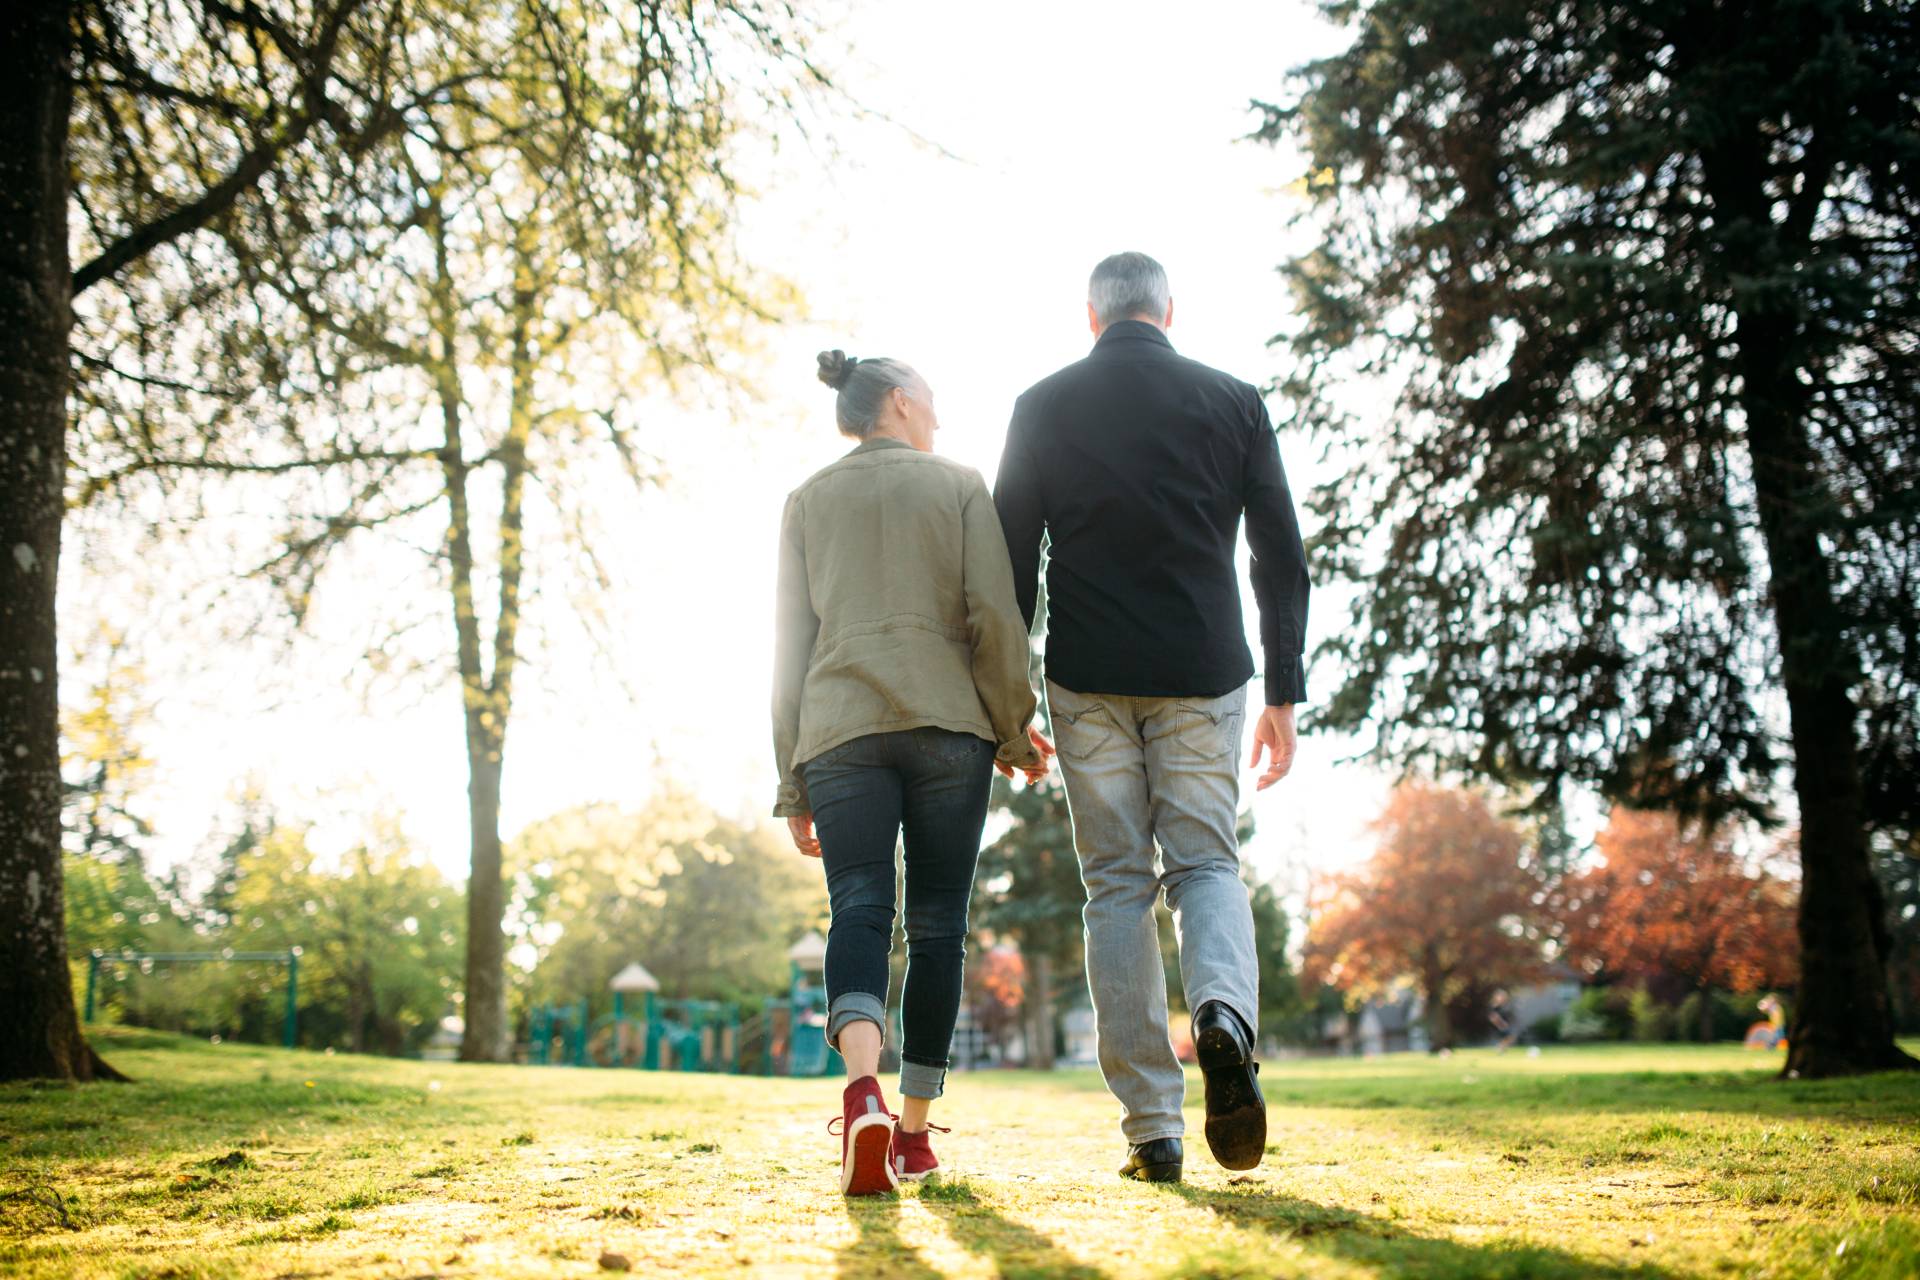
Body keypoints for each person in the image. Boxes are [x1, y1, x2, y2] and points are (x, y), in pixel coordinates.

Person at [994, 252, 1311, 1183]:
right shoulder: (1235, 401)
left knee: (1118, 888)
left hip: (1088, 676)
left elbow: (1011, 562)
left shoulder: (1041, 405)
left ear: (1089, 319)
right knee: (1207, 863)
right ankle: (1223, 1019)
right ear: (1170, 311)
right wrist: (1283, 695)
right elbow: (1280, 555)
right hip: (1206, 670)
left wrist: (1011, 704)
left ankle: (1153, 1131)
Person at [772, 350, 1053, 1196]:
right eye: (930, 403)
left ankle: (861, 1093)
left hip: (839, 732)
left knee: (859, 906)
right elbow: (992, 616)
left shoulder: (806, 501)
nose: (938, 418)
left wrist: (791, 781)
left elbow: (789, 648)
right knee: (938, 929)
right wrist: (1014, 726)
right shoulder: (959, 484)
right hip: (947, 732)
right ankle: (915, 1135)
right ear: (898, 402)